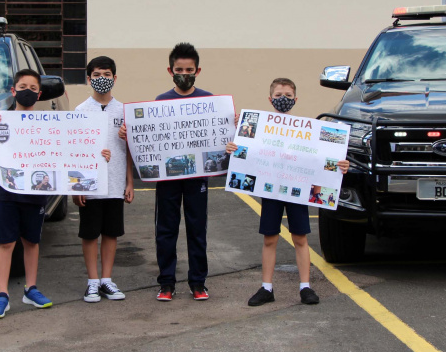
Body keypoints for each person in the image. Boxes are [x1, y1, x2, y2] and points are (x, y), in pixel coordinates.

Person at [0, 69, 110, 318]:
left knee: (32, 241)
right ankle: (2, 294)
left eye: (32, 88)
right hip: (7, 192)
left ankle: (31, 289)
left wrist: (99, 155)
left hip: (35, 195)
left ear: (39, 94)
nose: (26, 91)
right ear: (13, 90)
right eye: (22, 86)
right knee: (5, 243)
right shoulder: (1, 121)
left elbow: (74, 148)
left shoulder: (50, 123)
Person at [226, 77, 350, 307]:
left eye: (288, 96)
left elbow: (321, 158)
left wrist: (340, 165)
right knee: (270, 238)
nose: (283, 100)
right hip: (271, 190)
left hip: (297, 190)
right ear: (270, 98)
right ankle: (266, 287)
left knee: (300, 238)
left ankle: (305, 287)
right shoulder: (259, 128)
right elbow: (246, 153)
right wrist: (234, 147)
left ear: (296, 99)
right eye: (279, 95)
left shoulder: (309, 130)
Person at [120, 42, 215, 302]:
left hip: (197, 178)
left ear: (198, 70)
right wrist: (131, 134)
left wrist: (232, 124)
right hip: (167, 178)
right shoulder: (161, 101)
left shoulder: (209, 101)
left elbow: (219, 134)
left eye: (189, 69)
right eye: (179, 69)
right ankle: (166, 283)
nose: (184, 73)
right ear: (170, 70)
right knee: (166, 229)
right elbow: (149, 136)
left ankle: (198, 283)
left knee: (197, 229)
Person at [73, 56, 134, 303]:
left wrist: (129, 182)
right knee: (89, 234)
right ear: (89, 79)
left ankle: (107, 280)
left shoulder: (124, 111)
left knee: (111, 233)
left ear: (115, 78)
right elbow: (73, 150)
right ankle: (92, 281)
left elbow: (129, 151)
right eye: (97, 75)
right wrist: (75, 185)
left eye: (107, 75)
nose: (102, 79)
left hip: (116, 182)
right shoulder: (79, 111)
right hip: (89, 183)